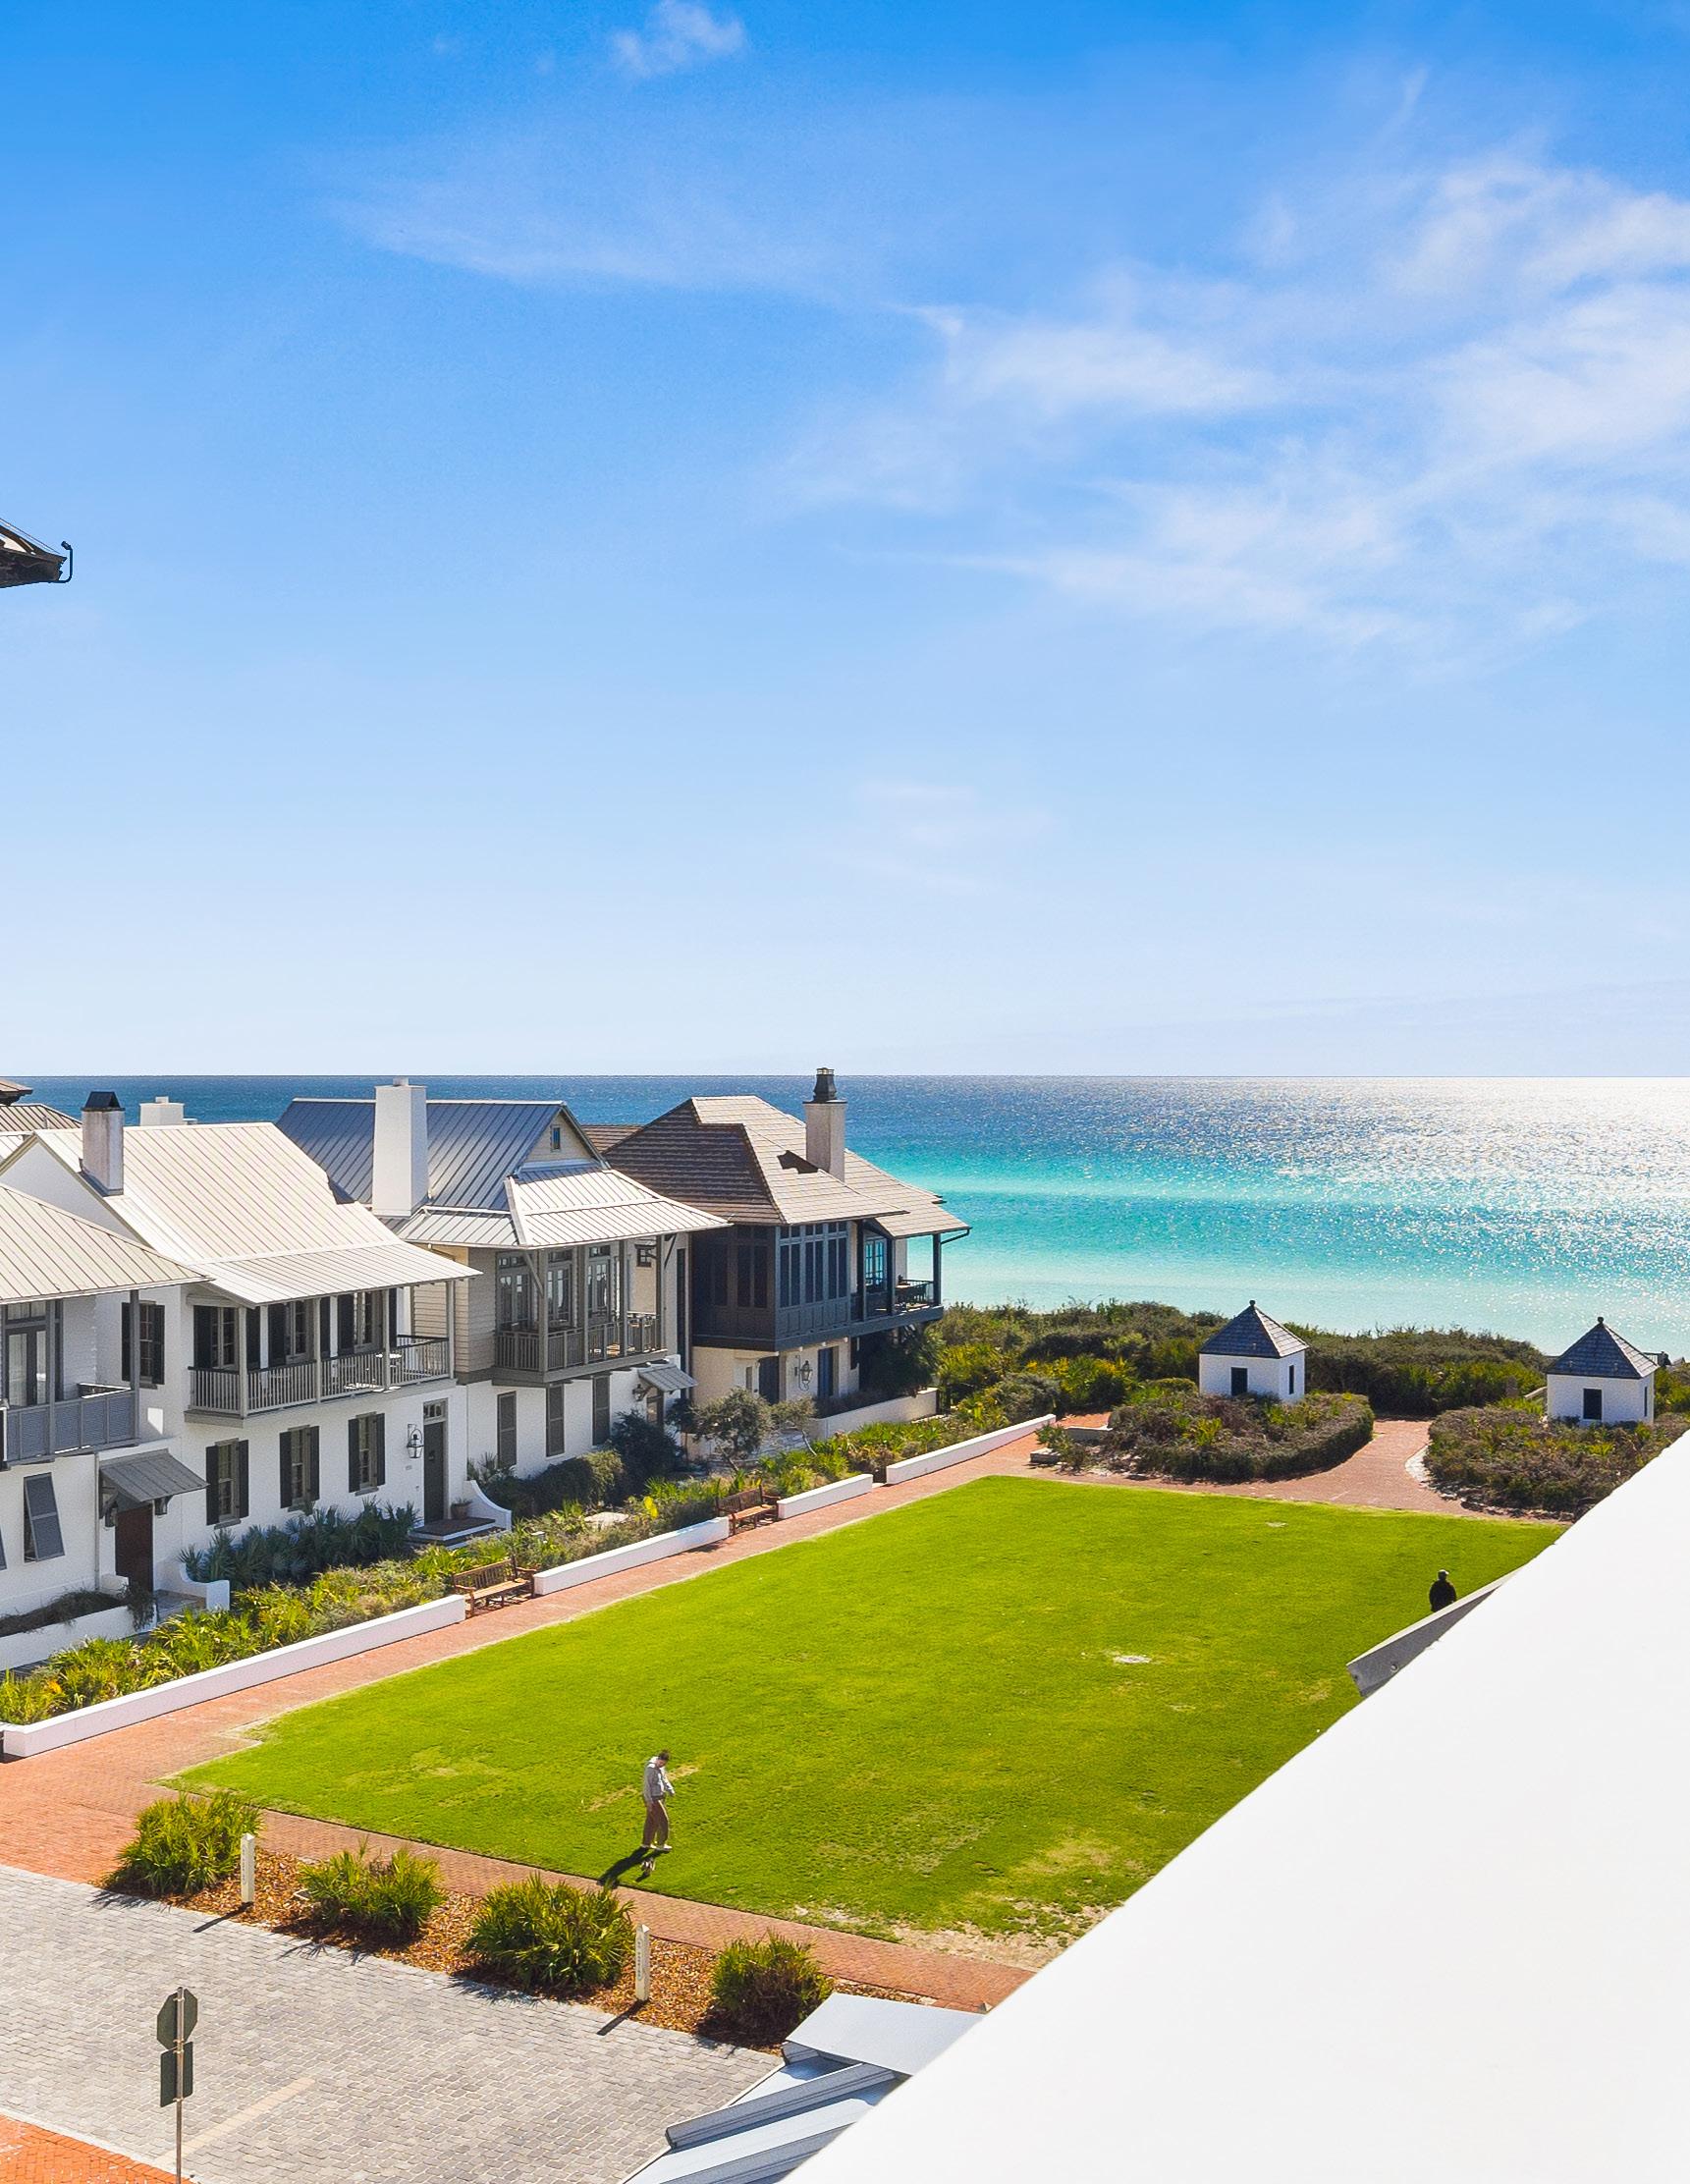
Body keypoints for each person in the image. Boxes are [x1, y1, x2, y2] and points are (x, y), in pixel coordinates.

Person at [641, 1748, 676, 1863]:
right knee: (663, 1820)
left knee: (651, 1820)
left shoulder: (661, 1767)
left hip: (659, 1796)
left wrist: (670, 1789)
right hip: (653, 1798)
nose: (662, 1765)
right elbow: (646, 1786)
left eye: (664, 1764)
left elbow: (663, 1779)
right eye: (661, 1763)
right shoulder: (650, 1769)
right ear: (658, 1759)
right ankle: (661, 1844)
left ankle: (646, 1843)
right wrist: (649, 1801)